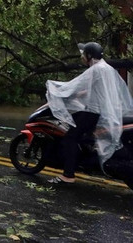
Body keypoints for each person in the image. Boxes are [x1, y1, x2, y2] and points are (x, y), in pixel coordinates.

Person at [45, 42, 133, 185]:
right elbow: (93, 89)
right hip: (104, 112)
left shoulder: (95, 70)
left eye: (83, 55)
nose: (82, 57)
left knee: (70, 138)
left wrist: (56, 90)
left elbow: (74, 85)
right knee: (81, 136)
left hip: (93, 112)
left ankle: (68, 175)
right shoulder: (107, 68)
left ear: (89, 55)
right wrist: (79, 95)